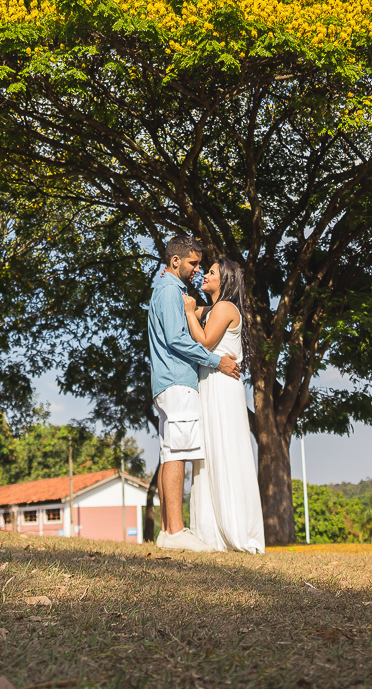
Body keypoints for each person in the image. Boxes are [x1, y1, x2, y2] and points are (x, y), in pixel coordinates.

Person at [148, 235, 242, 551]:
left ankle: (166, 531)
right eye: (192, 263)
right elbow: (177, 339)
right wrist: (218, 361)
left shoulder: (164, 289)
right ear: (175, 261)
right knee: (178, 452)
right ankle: (176, 532)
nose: (196, 270)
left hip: (166, 382)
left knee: (169, 451)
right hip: (176, 380)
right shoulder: (170, 291)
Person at [183, 259, 265, 553]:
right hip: (212, 384)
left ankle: (234, 529)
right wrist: (190, 306)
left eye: (212, 272)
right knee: (210, 454)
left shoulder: (226, 308)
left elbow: (204, 342)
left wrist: (191, 312)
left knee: (224, 452)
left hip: (220, 386)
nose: (205, 275)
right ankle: (210, 531)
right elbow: (196, 310)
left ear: (226, 280)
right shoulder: (216, 308)